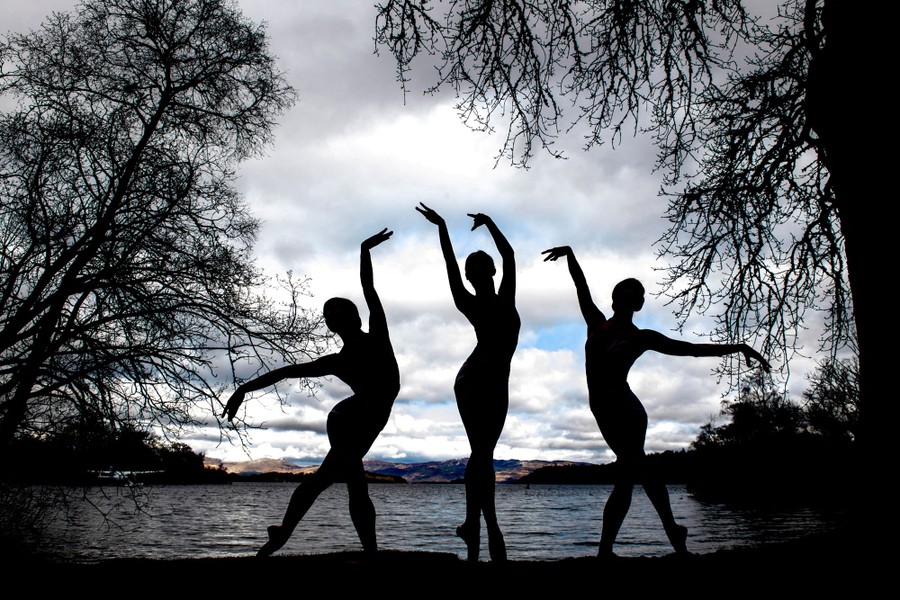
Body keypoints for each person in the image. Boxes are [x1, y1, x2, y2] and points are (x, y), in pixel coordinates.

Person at [541, 245, 770, 557]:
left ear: (636, 304)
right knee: (632, 474)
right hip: (604, 407)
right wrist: (570, 255)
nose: (631, 298)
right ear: (615, 298)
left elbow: (690, 348)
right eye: (627, 292)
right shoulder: (596, 323)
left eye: (636, 294)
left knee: (631, 471)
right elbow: (581, 287)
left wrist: (738, 347)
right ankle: (657, 537)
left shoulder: (641, 337)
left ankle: (619, 547)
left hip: (626, 409)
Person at [222, 229, 400, 557]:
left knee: (332, 480)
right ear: (331, 326)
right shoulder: (338, 361)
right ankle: (366, 554)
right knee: (349, 481)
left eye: (338, 312)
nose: (333, 318)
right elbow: (287, 371)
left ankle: (283, 532)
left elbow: (369, 288)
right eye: (329, 316)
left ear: (355, 316)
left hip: (361, 414)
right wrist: (244, 388)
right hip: (350, 418)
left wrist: (364, 249)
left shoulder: (376, 336)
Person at [416, 203, 520, 562]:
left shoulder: (497, 298)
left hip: (486, 379)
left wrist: (456, 225)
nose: (474, 270)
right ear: (482, 273)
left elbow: (505, 256)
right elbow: (500, 256)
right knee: (482, 454)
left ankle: (473, 525)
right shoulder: (480, 301)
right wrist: (453, 227)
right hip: (476, 379)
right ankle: (485, 525)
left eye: (476, 266)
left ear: (486, 271)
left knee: (482, 455)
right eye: (471, 268)